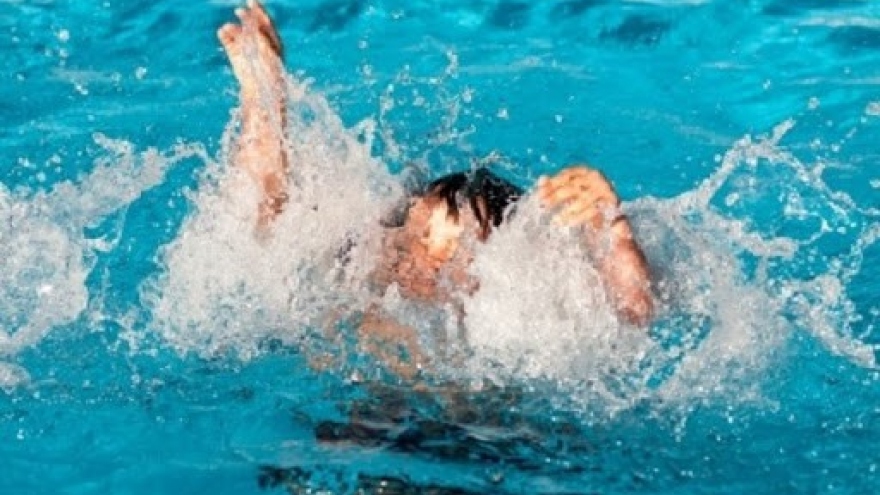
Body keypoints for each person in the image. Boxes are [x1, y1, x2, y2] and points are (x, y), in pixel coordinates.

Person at [217, 1, 654, 375]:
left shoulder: (505, 324)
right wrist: (265, 102)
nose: (420, 264)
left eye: (449, 255)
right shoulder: (357, 260)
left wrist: (615, 234)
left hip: (466, 427)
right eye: (419, 237)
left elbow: (631, 315)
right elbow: (261, 218)